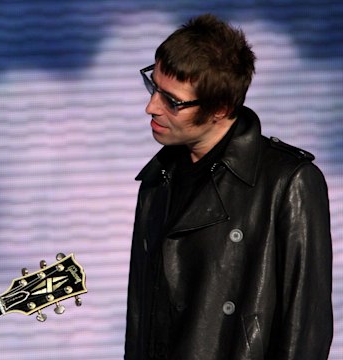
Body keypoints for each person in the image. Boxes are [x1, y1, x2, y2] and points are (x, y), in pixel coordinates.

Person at [125, 14, 332, 359]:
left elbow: (305, 331)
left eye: (172, 101)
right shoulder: (157, 180)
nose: (151, 108)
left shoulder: (288, 181)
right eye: (153, 87)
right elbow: (141, 323)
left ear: (220, 108)